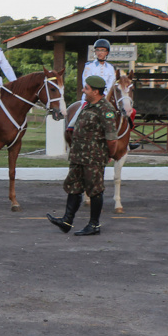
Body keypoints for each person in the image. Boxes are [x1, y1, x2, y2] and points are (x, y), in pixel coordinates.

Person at [47, 75, 119, 236]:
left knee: (95, 190)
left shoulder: (105, 109)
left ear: (95, 91)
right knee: (74, 187)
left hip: (93, 158)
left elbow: (112, 138)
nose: (83, 90)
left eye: (86, 88)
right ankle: (67, 221)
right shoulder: (86, 106)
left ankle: (94, 224)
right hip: (78, 156)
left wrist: (110, 154)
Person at [66, 38, 115, 131]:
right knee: (80, 111)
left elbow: (111, 83)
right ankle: (71, 128)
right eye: (98, 50)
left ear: (107, 52)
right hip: (90, 96)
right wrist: (95, 93)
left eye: (103, 50)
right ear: (95, 52)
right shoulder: (89, 66)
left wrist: (104, 93)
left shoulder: (110, 68)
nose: (100, 52)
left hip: (105, 97)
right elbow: (86, 82)